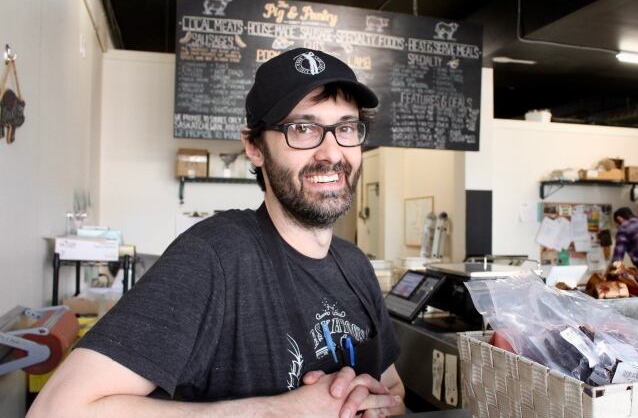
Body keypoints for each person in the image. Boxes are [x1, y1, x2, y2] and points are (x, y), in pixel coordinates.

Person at [29, 48, 404, 418]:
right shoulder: (213, 257)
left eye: (345, 127)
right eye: (302, 128)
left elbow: (393, 388)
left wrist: (376, 405)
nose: (331, 152)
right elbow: (56, 410)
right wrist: (279, 412)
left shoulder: (356, 266)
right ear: (254, 147)